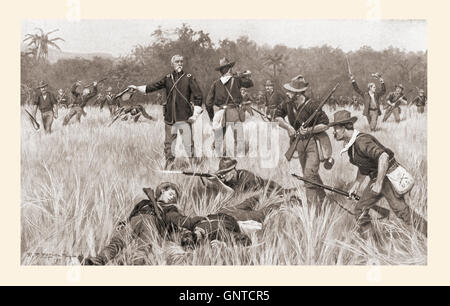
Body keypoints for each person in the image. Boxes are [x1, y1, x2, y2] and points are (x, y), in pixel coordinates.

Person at [82, 182, 280, 265]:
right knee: (116, 244)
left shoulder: (170, 210)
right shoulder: (144, 202)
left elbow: (180, 222)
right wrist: (122, 223)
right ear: (161, 192)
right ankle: (98, 262)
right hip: (134, 221)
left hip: (152, 224)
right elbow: (131, 214)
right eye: (169, 192)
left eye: (174, 195)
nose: (172, 195)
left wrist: (198, 221)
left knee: (143, 250)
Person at [329, 110, 427, 238]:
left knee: (402, 212)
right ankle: (371, 245)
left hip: (388, 177)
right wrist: (356, 185)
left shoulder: (362, 141)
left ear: (345, 127)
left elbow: (383, 157)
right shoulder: (352, 145)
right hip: (377, 178)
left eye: (336, 128)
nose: (334, 132)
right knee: (360, 210)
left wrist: (379, 182)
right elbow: (364, 167)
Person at [128, 55, 203, 169]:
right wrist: (137, 88)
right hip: (170, 118)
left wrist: (195, 115)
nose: (180, 64)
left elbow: (198, 96)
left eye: (181, 61)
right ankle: (169, 165)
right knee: (168, 145)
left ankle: (195, 168)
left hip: (184, 117)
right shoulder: (168, 78)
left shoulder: (189, 77)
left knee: (188, 144)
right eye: (177, 62)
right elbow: (154, 86)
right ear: (172, 64)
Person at [274, 75, 329, 206]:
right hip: (298, 143)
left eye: (291, 91)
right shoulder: (288, 103)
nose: (288, 93)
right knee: (309, 173)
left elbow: (326, 124)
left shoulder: (312, 105)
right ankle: (323, 198)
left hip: (312, 143)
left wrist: (310, 130)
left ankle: (312, 209)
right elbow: (277, 116)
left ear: (298, 93)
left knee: (309, 174)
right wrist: (288, 127)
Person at [205, 58, 253, 156]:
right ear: (229, 69)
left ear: (221, 71)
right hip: (234, 112)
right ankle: (239, 161)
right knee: (239, 140)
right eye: (230, 68)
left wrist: (211, 117)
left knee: (218, 139)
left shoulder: (215, 83)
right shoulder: (236, 80)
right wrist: (244, 76)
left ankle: (216, 160)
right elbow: (250, 84)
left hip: (220, 114)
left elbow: (208, 103)